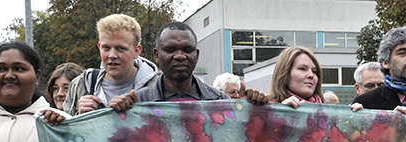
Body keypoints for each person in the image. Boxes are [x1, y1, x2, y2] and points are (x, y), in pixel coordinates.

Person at [106, 22, 266, 112]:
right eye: (170, 49)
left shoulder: (220, 101)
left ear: (196, 55)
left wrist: (258, 110)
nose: (180, 56)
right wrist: (113, 113)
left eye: (187, 50)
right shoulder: (137, 103)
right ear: (156, 55)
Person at [63, 14, 158, 115]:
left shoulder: (156, 88)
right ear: (99, 47)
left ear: (136, 51)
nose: (112, 55)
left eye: (121, 48)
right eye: (106, 48)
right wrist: (79, 118)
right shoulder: (80, 85)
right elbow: (63, 129)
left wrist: (138, 111)